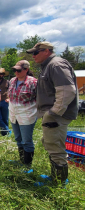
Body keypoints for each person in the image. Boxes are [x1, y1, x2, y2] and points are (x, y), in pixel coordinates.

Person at [26, 42, 78, 185]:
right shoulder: (48, 66)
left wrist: (53, 112)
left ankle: (58, 183)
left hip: (56, 115)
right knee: (50, 143)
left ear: (47, 51)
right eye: (32, 53)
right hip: (51, 114)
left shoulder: (56, 65)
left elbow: (68, 91)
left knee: (55, 147)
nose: (33, 56)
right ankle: (56, 177)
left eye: (36, 52)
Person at [8, 60, 37, 168]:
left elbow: (40, 98)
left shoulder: (33, 82)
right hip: (14, 114)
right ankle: (22, 161)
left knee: (26, 141)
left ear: (26, 70)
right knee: (18, 139)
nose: (16, 72)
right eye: (15, 70)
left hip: (27, 115)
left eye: (19, 70)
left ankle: (27, 165)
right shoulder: (12, 81)